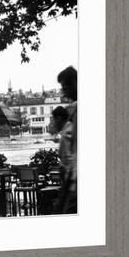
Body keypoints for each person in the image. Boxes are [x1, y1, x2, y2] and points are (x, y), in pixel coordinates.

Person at [57, 65, 78, 214]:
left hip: (75, 181)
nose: (64, 91)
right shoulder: (75, 110)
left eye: (65, 86)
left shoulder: (78, 111)